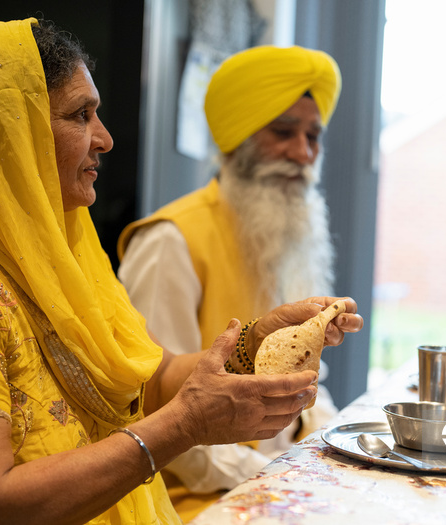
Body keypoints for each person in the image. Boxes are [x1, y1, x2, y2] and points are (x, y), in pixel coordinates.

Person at [0, 19, 363, 525]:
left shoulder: (70, 259)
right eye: (79, 116)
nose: (104, 139)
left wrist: (257, 339)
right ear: (4, 133)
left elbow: (150, 380)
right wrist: (182, 427)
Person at [116, 45, 343, 518]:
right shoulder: (170, 241)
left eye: (313, 137)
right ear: (237, 140)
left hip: (282, 476)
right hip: (195, 497)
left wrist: (334, 448)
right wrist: (281, 478)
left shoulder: (287, 234)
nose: (302, 153)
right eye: (283, 133)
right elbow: (154, 412)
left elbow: (305, 390)